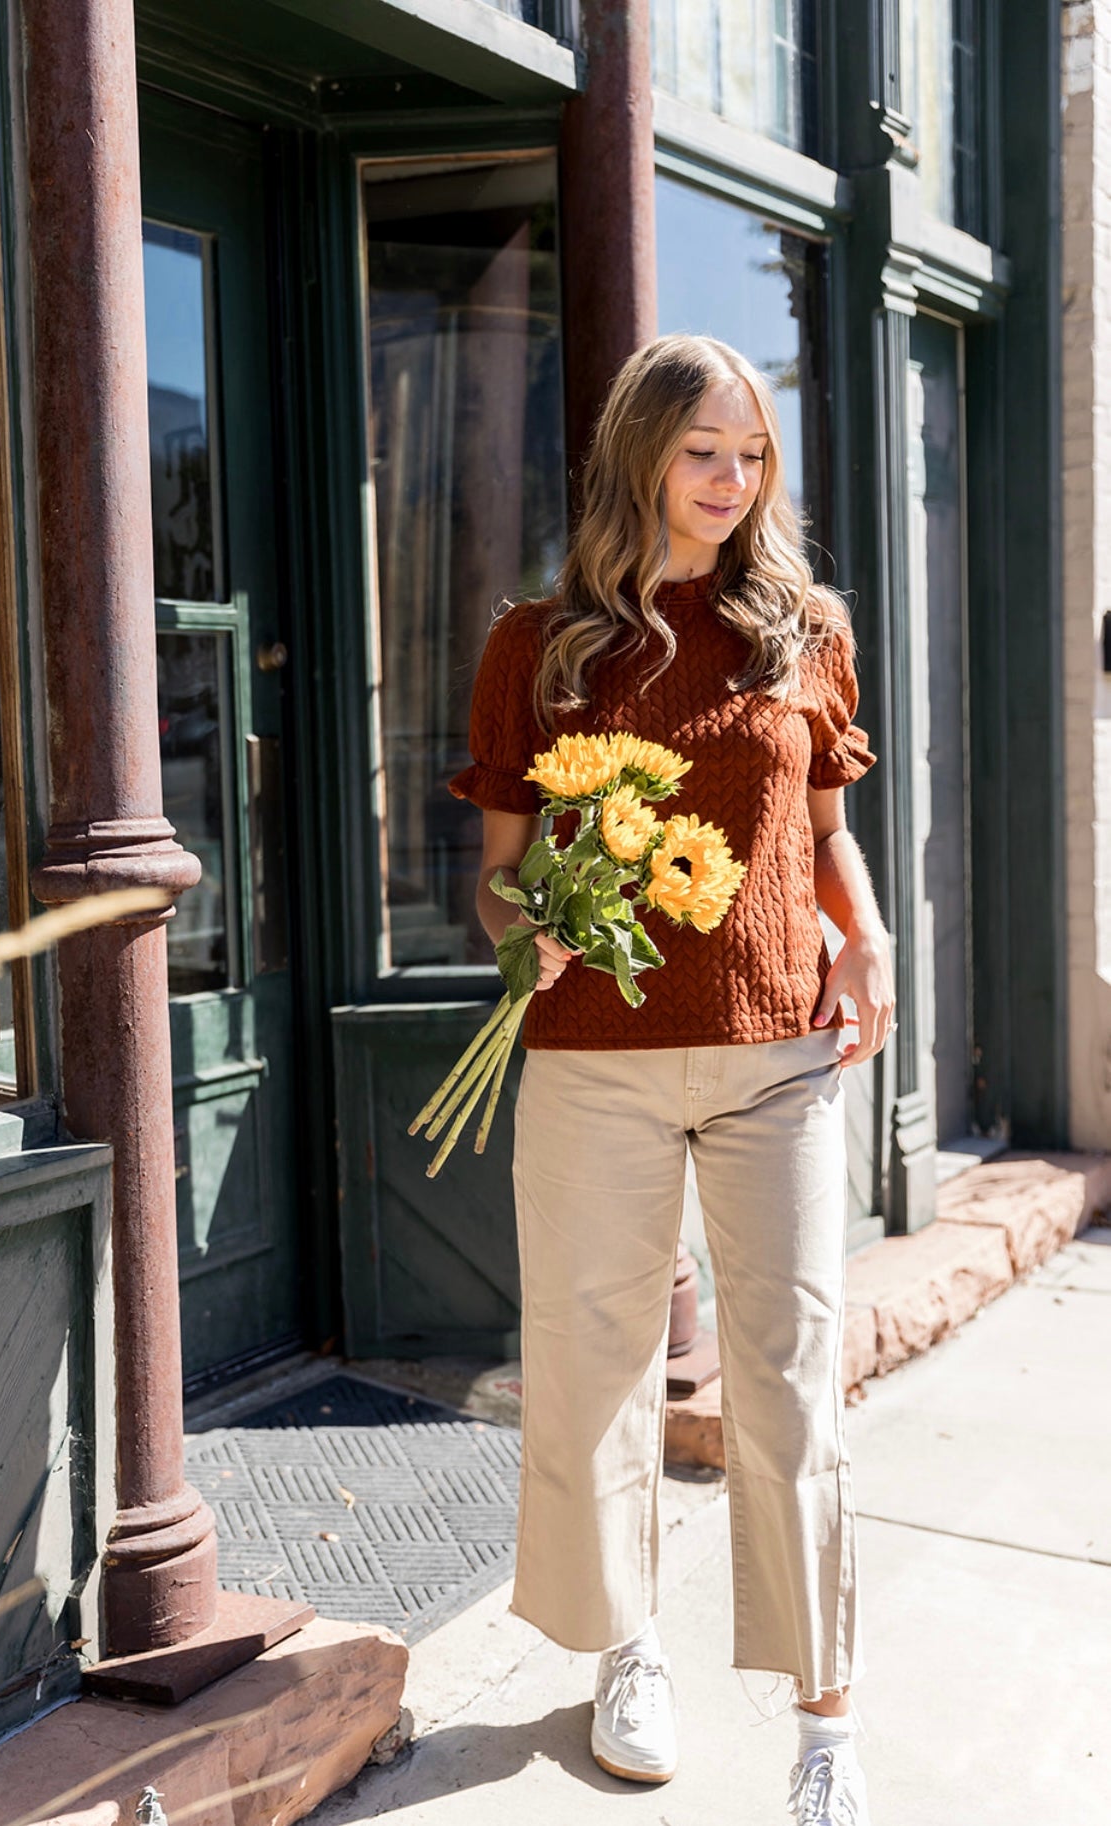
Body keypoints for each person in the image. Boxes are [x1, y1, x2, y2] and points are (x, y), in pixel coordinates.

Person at [448, 333, 894, 1826]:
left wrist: (870, 937)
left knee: (790, 1385)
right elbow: (499, 880)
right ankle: (628, 1650)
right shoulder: (543, 647)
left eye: (751, 453)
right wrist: (533, 943)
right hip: (595, 1066)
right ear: (638, 455)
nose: (732, 479)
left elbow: (823, 832)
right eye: (704, 450)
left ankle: (825, 1726)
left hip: (777, 1053)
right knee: (594, 1376)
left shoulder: (801, 630)